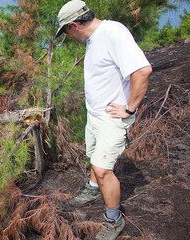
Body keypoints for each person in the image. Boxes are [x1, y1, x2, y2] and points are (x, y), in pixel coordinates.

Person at [55, 1, 152, 239]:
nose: (68, 36)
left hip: (112, 119)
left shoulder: (112, 32)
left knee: (102, 168)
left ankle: (113, 219)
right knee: (95, 156)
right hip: (97, 115)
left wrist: (129, 109)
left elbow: (142, 70)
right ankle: (92, 189)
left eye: (66, 31)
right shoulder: (94, 40)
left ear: (75, 25)